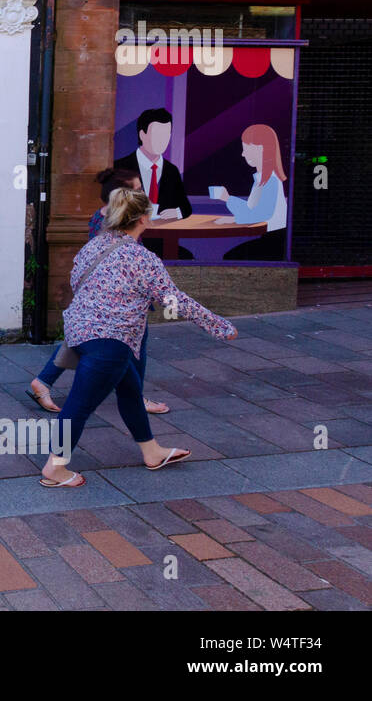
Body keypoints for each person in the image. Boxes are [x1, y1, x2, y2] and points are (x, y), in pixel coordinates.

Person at [39, 186, 237, 488]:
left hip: (81, 332)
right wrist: (218, 325)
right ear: (145, 218)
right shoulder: (142, 258)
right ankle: (55, 468)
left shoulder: (93, 246)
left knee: (130, 390)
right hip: (111, 341)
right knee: (77, 407)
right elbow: (175, 302)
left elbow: (75, 279)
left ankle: (151, 451)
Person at [26, 168, 171, 415]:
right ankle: (136, 399)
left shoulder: (101, 216)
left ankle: (44, 381)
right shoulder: (117, 222)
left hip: (103, 295)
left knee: (81, 338)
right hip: (119, 297)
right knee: (136, 343)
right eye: (136, 189)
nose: (141, 193)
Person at [213, 123, 289, 261]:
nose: (242, 154)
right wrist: (233, 217)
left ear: (261, 148)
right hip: (270, 240)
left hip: (272, 243)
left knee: (230, 258)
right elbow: (253, 211)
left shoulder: (270, 180)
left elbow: (259, 215)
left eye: (246, 148)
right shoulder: (263, 179)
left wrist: (228, 199)